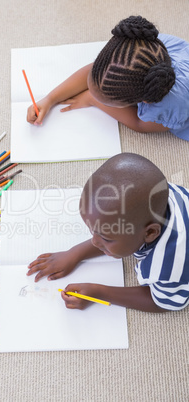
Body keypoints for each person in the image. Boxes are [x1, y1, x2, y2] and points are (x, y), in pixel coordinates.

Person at [27, 153, 189, 312]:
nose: (94, 242)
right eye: (92, 231)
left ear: (150, 233)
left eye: (106, 238)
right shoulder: (159, 197)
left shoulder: (169, 267)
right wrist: (75, 253)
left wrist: (100, 293)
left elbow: (163, 302)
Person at [27, 16, 189, 141]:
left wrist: (92, 99)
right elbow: (93, 71)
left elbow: (140, 124)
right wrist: (50, 99)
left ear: (144, 100)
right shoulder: (151, 46)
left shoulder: (169, 107)